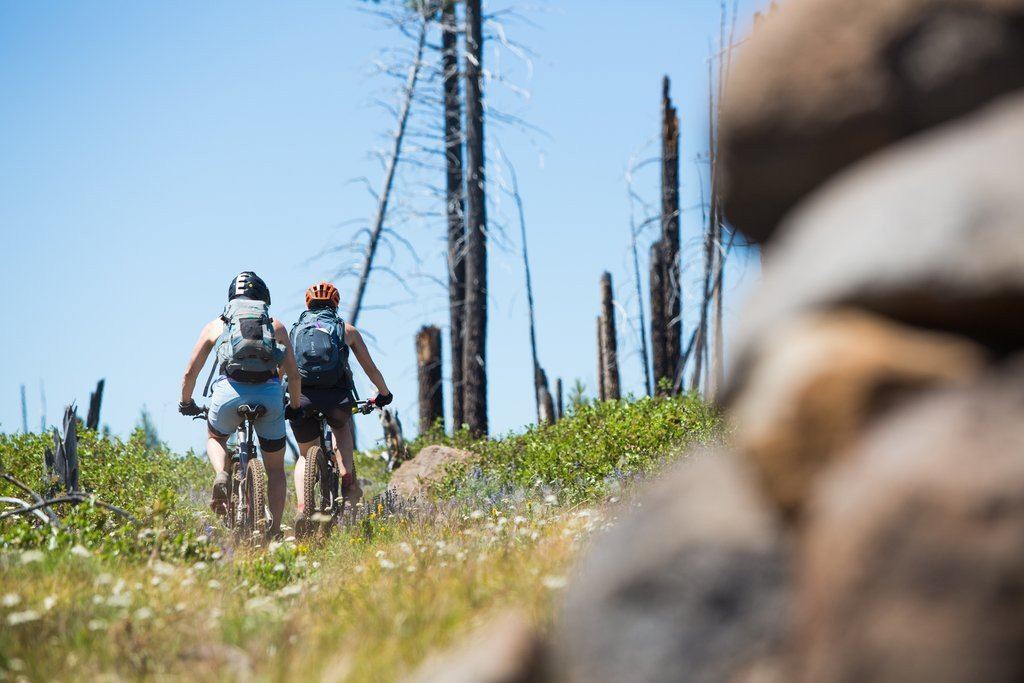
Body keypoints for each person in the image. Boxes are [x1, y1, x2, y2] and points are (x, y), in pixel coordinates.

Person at [178, 271, 302, 538]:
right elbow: (293, 373)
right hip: (269, 396)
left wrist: (186, 401)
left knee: (215, 437)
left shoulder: (216, 325)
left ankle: (222, 472)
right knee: (276, 469)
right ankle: (276, 529)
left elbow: (191, 372)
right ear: (263, 298)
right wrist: (293, 404)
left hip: (229, 393)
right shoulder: (275, 325)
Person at [288, 281, 392, 516]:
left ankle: (304, 507)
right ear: (335, 304)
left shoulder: (294, 331)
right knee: (341, 427)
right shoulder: (347, 330)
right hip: (337, 398)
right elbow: (370, 369)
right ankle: (346, 473)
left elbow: (283, 369)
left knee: (306, 456)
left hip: (303, 398)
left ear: (308, 304)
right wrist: (384, 394)